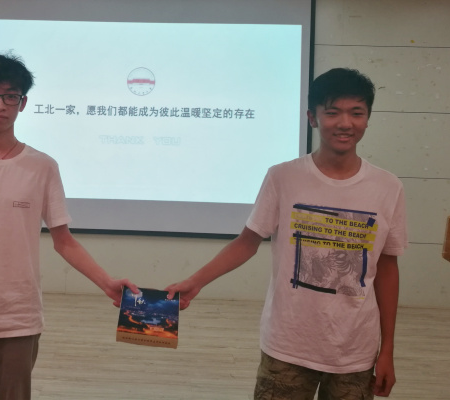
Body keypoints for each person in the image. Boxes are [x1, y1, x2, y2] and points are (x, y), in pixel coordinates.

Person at [166, 68, 407, 399]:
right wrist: (195, 282)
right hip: (287, 346)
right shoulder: (283, 177)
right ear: (312, 118)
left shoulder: (387, 187)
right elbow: (246, 243)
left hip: (354, 352)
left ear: (367, 119)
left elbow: (388, 268)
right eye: (332, 112)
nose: (345, 123)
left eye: (356, 113)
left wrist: (388, 348)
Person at [0, 53, 138, 400]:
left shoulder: (43, 167)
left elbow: (64, 241)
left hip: (17, 320)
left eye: (10, 96)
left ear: (22, 104)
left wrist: (107, 283)